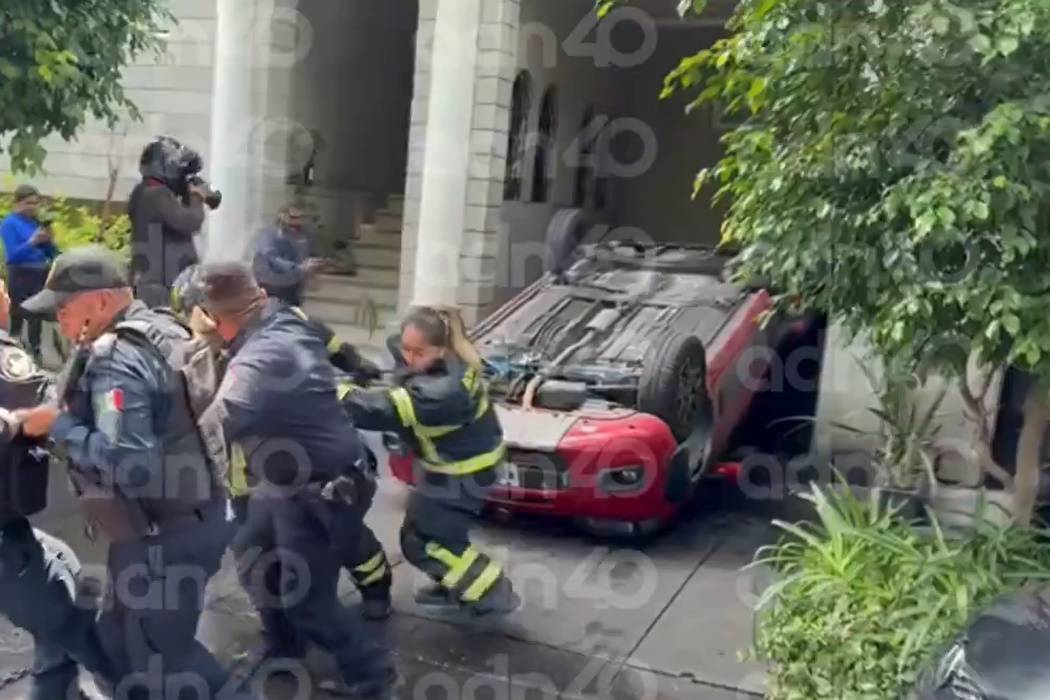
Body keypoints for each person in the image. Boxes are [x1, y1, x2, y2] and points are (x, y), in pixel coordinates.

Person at [13, 247, 247, 700]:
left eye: (64, 308)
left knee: (165, 657)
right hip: (180, 518)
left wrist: (56, 425)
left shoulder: (117, 358)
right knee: (118, 640)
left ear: (100, 302)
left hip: (167, 534)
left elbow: (129, 465)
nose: (58, 320)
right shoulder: (162, 326)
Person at [197, 262, 396, 696]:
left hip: (323, 490)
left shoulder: (262, 359)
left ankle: (371, 674)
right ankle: (284, 646)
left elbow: (210, 427)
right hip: (285, 482)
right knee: (253, 552)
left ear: (215, 317)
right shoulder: (281, 317)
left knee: (305, 597)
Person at [338, 305, 519, 617]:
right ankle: (456, 583)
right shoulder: (446, 361)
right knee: (437, 537)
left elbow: (374, 410)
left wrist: (332, 389)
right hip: (451, 470)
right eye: (406, 348)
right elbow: (399, 352)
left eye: (417, 352)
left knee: (422, 543)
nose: (408, 357)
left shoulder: (442, 393)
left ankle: (489, 592)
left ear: (441, 349)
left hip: (461, 476)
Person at [0, 278, 114, 700]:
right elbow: (50, 406)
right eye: (4, 293)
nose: (9, 300)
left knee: (63, 563)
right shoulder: (6, 360)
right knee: (78, 631)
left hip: (16, 534)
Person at [128, 136, 209, 308]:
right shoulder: (155, 193)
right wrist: (196, 196)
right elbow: (190, 222)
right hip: (160, 283)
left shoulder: (144, 191)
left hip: (157, 279)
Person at [0, 185, 59, 361]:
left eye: (35, 203)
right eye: (28, 203)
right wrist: (32, 241)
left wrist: (49, 240)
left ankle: (35, 349)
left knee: (36, 314)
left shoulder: (35, 223)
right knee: (17, 312)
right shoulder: (10, 223)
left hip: (39, 271)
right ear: (17, 203)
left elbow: (51, 252)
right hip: (20, 271)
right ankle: (12, 348)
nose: (32, 207)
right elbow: (13, 254)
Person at [252, 203, 340, 307]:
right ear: (282, 216)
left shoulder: (307, 235)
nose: (297, 222)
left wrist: (319, 264)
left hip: (293, 288)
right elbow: (272, 258)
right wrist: (299, 268)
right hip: (269, 286)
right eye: (293, 217)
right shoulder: (269, 233)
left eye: (302, 218)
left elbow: (312, 255)